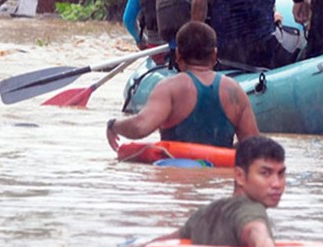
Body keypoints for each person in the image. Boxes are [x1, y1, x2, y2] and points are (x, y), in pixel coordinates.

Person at [110, 135, 287, 247]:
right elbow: (254, 225)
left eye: (281, 174)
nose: (277, 184)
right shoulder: (251, 210)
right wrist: (263, 241)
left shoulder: (206, 213)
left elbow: (168, 239)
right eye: (265, 173)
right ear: (240, 176)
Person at [106, 21, 259, 150]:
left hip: (177, 173)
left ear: (178, 55)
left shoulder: (169, 88)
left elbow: (141, 126)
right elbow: (253, 145)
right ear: (214, 55)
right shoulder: (235, 90)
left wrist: (114, 125)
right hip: (220, 180)